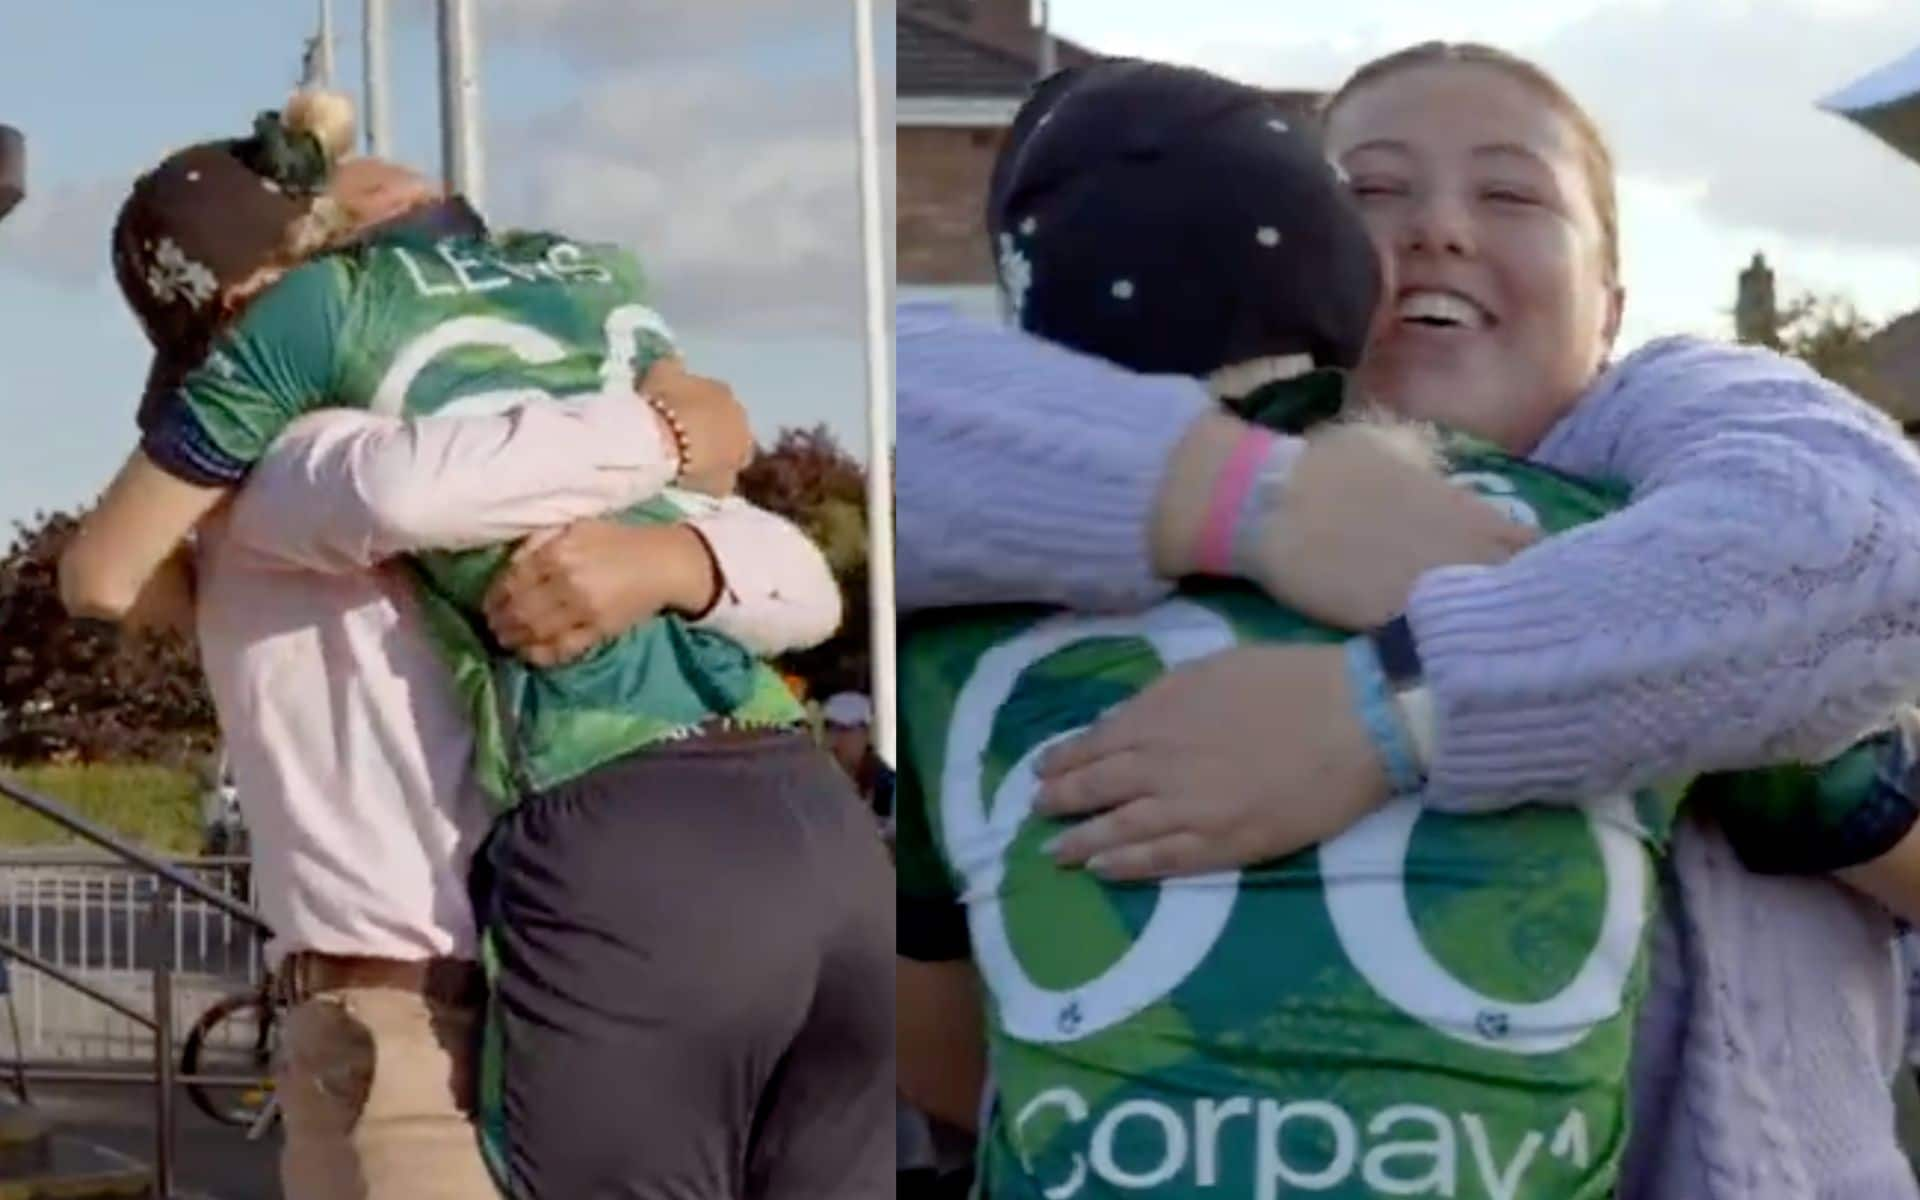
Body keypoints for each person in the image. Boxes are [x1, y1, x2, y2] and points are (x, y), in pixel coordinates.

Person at [897, 44, 1920, 1200]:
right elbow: (859, 422)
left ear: (1613, 307)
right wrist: (1255, 506)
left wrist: (1386, 708)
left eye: (1512, 191)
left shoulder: (1676, 537)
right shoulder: (1064, 533)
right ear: (1297, 253)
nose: (1436, 229)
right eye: (1371, 192)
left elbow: (1864, 560)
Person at [62, 94, 891, 1199]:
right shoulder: (296, 463)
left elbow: (785, 578)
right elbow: (411, 484)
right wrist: (673, 427)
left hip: (511, 981)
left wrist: (670, 559)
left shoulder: (387, 455)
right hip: (424, 1017)